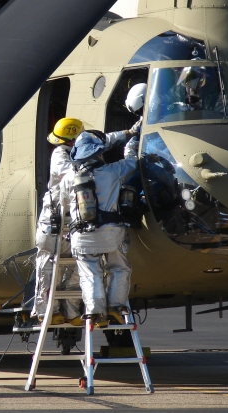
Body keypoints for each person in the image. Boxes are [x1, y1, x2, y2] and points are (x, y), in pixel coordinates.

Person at [60, 130, 139, 325]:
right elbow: (133, 163)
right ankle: (116, 306)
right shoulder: (113, 171)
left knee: (90, 274)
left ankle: (95, 312)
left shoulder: (69, 178)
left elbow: (63, 204)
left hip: (82, 236)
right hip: (112, 234)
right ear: (98, 152)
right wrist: (131, 143)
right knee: (119, 269)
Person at [32, 118, 83, 325]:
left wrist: (125, 133)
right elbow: (70, 176)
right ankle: (47, 311)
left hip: (73, 222)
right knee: (48, 265)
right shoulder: (61, 157)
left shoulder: (76, 155)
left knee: (77, 266)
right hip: (53, 223)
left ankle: (71, 312)